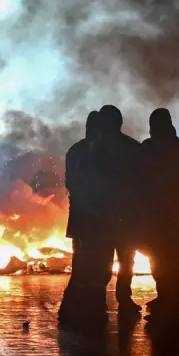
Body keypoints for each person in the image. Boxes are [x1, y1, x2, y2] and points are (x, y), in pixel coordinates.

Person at [59, 111, 111, 328]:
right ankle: (93, 307)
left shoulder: (75, 150)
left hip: (80, 215)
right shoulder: (102, 151)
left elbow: (70, 183)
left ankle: (73, 307)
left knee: (81, 260)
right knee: (99, 262)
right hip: (98, 217)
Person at [139, 109, 179, 323]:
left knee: (169, 259)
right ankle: (166, 297)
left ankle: (173, 300)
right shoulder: (178, 146)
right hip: (163, 214)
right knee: (161, 259)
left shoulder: (169, 147)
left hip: (168, 214)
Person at [95, 104, 143, 315]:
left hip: (106, 215)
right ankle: (123, 299)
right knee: (125, 260)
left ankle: (99, 300)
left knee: (105, 259)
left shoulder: (94, 148)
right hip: (124, 214)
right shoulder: (132, 147)